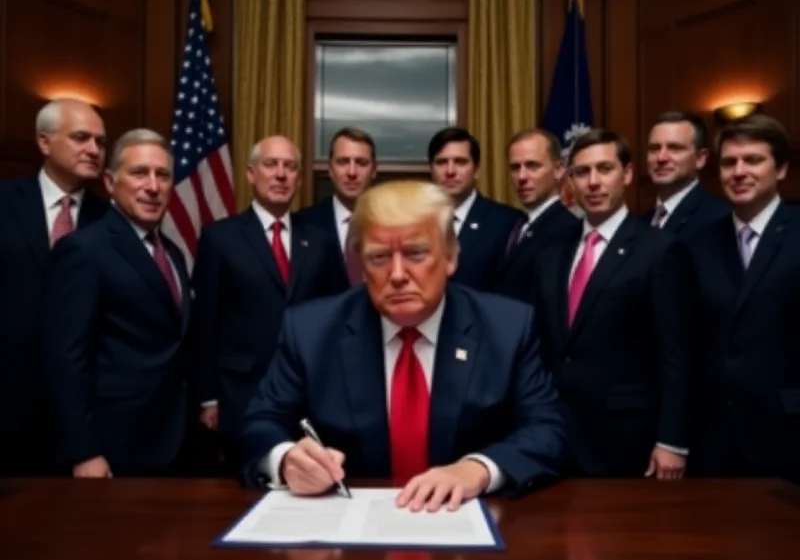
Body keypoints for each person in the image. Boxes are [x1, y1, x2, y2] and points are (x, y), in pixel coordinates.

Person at [238, 180, 566, 511]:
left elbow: (547, 429)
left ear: (451, 257)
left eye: (416, 253)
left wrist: (479, 469)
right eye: (379, 257)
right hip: (349, 529)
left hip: (467, 527)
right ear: (361, 266)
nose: (397, 274)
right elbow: (259, 423)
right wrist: (285, 459)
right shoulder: (311, 330)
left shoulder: (506, 327)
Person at [531, 129, 694, 478]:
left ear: (628, 174)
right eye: (582, 172)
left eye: (605, 169)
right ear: (569, 179)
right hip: (556, 433)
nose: (593, 182)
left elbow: (676, 356)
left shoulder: (659, 249)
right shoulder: (551, 253)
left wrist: (672, 441)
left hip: (626, 438)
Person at [41, 129, 190, 477]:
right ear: (110, 182)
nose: (153, 186)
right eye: (139, 173)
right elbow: (65, 359)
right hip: (113, 449)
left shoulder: (173, 254)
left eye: (163, 175)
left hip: (174, 442)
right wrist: (84, 452)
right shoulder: (84, 250)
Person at [190, 135, 348, 460]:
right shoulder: (220, 237)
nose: (280, 174)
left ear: (299, 179)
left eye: (290, 167)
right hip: (240, 394)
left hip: (308, 394)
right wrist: (208, 398)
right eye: (271, 165)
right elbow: (205, 322)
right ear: (250, 174)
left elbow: (338, 317)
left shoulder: (320, 241)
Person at [687, 114, 800, 483]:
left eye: (753, 160)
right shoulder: (698, 245)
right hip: (714, 439)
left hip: (787, 433)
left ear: (780, 168)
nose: (738, 171)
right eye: (729, 162)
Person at [0, 98, 108, 476]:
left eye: (100, 141)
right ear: (44, 142)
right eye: (81, 137)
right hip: (9, 402)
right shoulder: (5, 203)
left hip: (85, 417)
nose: (94, 150)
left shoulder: (110, 220)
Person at [427, 127, 525, 291]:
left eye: (460, 162)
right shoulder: (415, 219)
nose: (450, 171)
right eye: (442, 162)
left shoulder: (508, 222)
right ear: (431, 169)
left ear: (477, 170)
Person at [495, 128, 580, 301]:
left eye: (532, 166)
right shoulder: (513, 224)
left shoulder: (568, 230)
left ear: (558, 170)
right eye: (515, 167)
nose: (521, 176)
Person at [294, 126, 377, 286]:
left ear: (374, 170)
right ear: (330, 169)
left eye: (361, 163)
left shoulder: (392, 222)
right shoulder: (302, 224)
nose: (352, 172)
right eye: (343, 162)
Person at [643, 111, 728, 236]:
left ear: (700, 158)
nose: (661, 158)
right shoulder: (643, 222)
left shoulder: (720, 220)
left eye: (674, 148)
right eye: (654, 148)